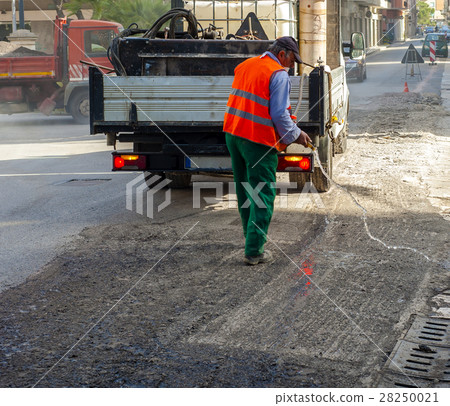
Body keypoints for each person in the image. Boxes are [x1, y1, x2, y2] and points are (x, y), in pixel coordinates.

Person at [223, 36, 312, 266]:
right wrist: (297, 135)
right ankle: (254, 250)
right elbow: (280, 115)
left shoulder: (246, 65)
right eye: (292, 60)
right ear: (282, 54)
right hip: (257, 140)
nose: (292, 66)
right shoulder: (278, 74)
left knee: (245, 188)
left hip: (233, 134)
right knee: (263, 193)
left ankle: (249, 237)